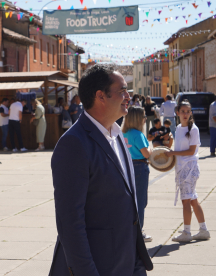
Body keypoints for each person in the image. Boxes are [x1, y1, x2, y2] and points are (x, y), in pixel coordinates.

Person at [49, 64, 153, 276]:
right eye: (122, 90)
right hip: (97, 267)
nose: (128, 96)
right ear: (101, 96)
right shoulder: (74, 144)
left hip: (127, 263)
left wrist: (137, 264)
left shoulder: (117, 134)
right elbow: (70, 222)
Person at [165, 100, 210, 242]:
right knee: (193, 201)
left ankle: (187, 232)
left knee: (186, 201)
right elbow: (178, 147)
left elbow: (191, 151)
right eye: (182, 111)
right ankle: (203, 230)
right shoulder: (178, 128)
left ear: (191, 113)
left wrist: (173, 154)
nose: (185, 114)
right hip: (182, 168)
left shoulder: (194, 129)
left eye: (187, 111)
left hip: (189, 169)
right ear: (177, 113)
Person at [123, 106, 153, 242]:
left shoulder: (123, 133)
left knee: (129, 201)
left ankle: (129, 230)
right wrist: (152, 151)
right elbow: (146, 154)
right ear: (137, 119)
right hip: (140, 167)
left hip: (126, 167)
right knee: (140, 201)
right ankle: (138, 233)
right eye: (144, 116)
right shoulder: (138, 134)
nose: (145, 119)